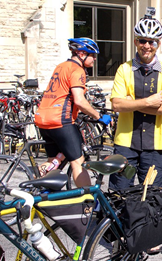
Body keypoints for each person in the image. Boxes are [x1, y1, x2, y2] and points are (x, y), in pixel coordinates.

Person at [109, 9, 162, 190]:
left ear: (158, 44)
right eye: (142, 41)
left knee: (153, 198)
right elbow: (116, 105)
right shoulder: (124, 69)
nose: (147, 46)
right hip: (125, 145)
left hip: (155, 147)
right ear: (135, 42)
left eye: (152, 42)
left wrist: (131, 103)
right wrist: (149, 102)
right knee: (119, 195)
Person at [35, 38, 111, 187]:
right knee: (78, 162)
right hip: (60, 121)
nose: (95, 59)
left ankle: (38, 190)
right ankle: (89, 202)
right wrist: (99, 116)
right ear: (82, 54)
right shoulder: (77, 70)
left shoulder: (61, 66)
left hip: (43, 120)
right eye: (93, 55)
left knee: (54, 160)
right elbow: (79, 101)